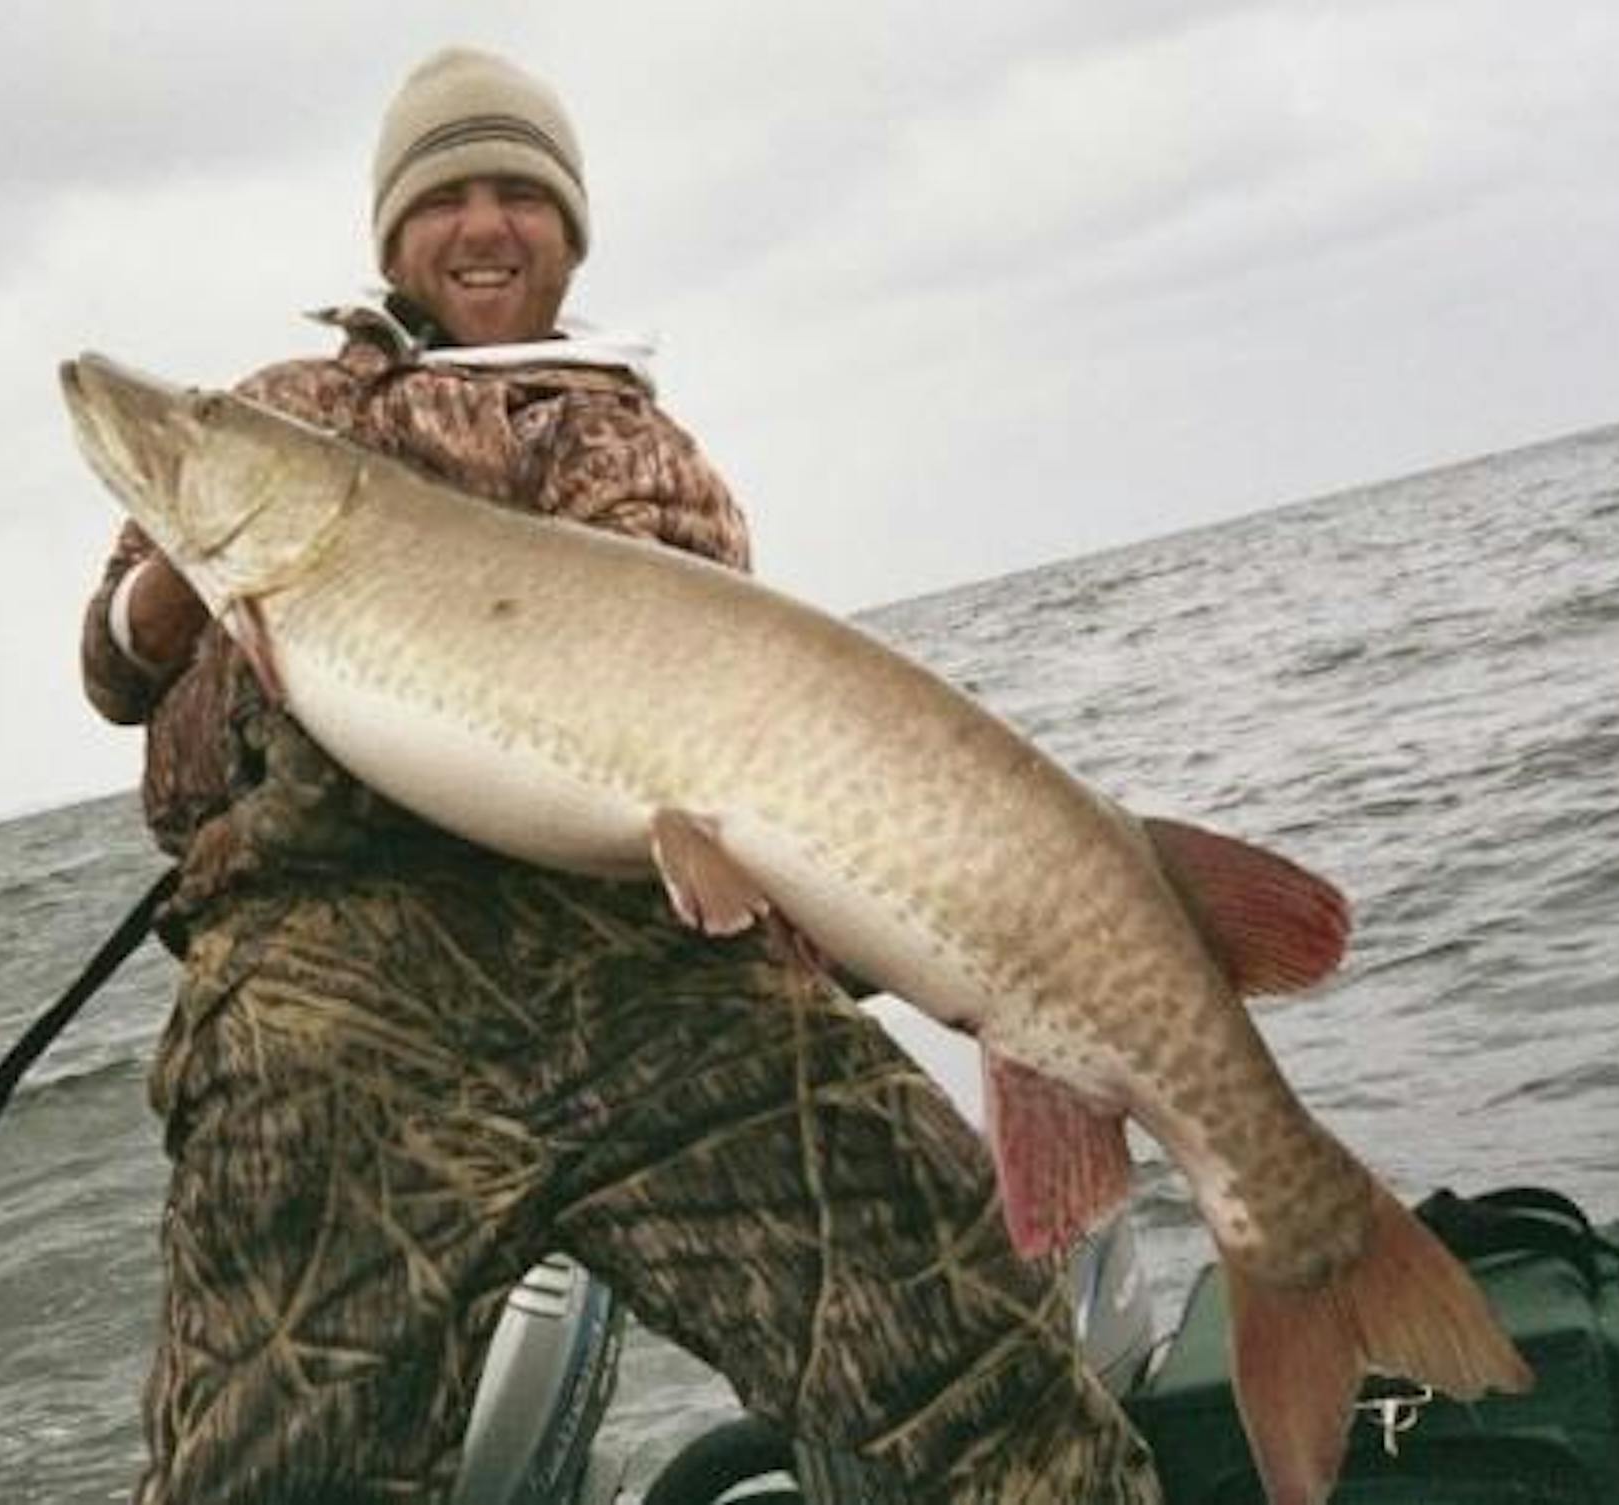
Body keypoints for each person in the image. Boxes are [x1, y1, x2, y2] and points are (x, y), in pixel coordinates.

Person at [81, 46, 1159, 1505]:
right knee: (265, 1473)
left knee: (973, 1338)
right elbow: (109, 669)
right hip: (324, 986)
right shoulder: (275, 411)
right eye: (443, 194)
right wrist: (170, 590)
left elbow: (716, 754)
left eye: (520, 194)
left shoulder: (639, 447)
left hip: (638, 966)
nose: (483, 225)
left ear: (568, 232)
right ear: (389, 233)